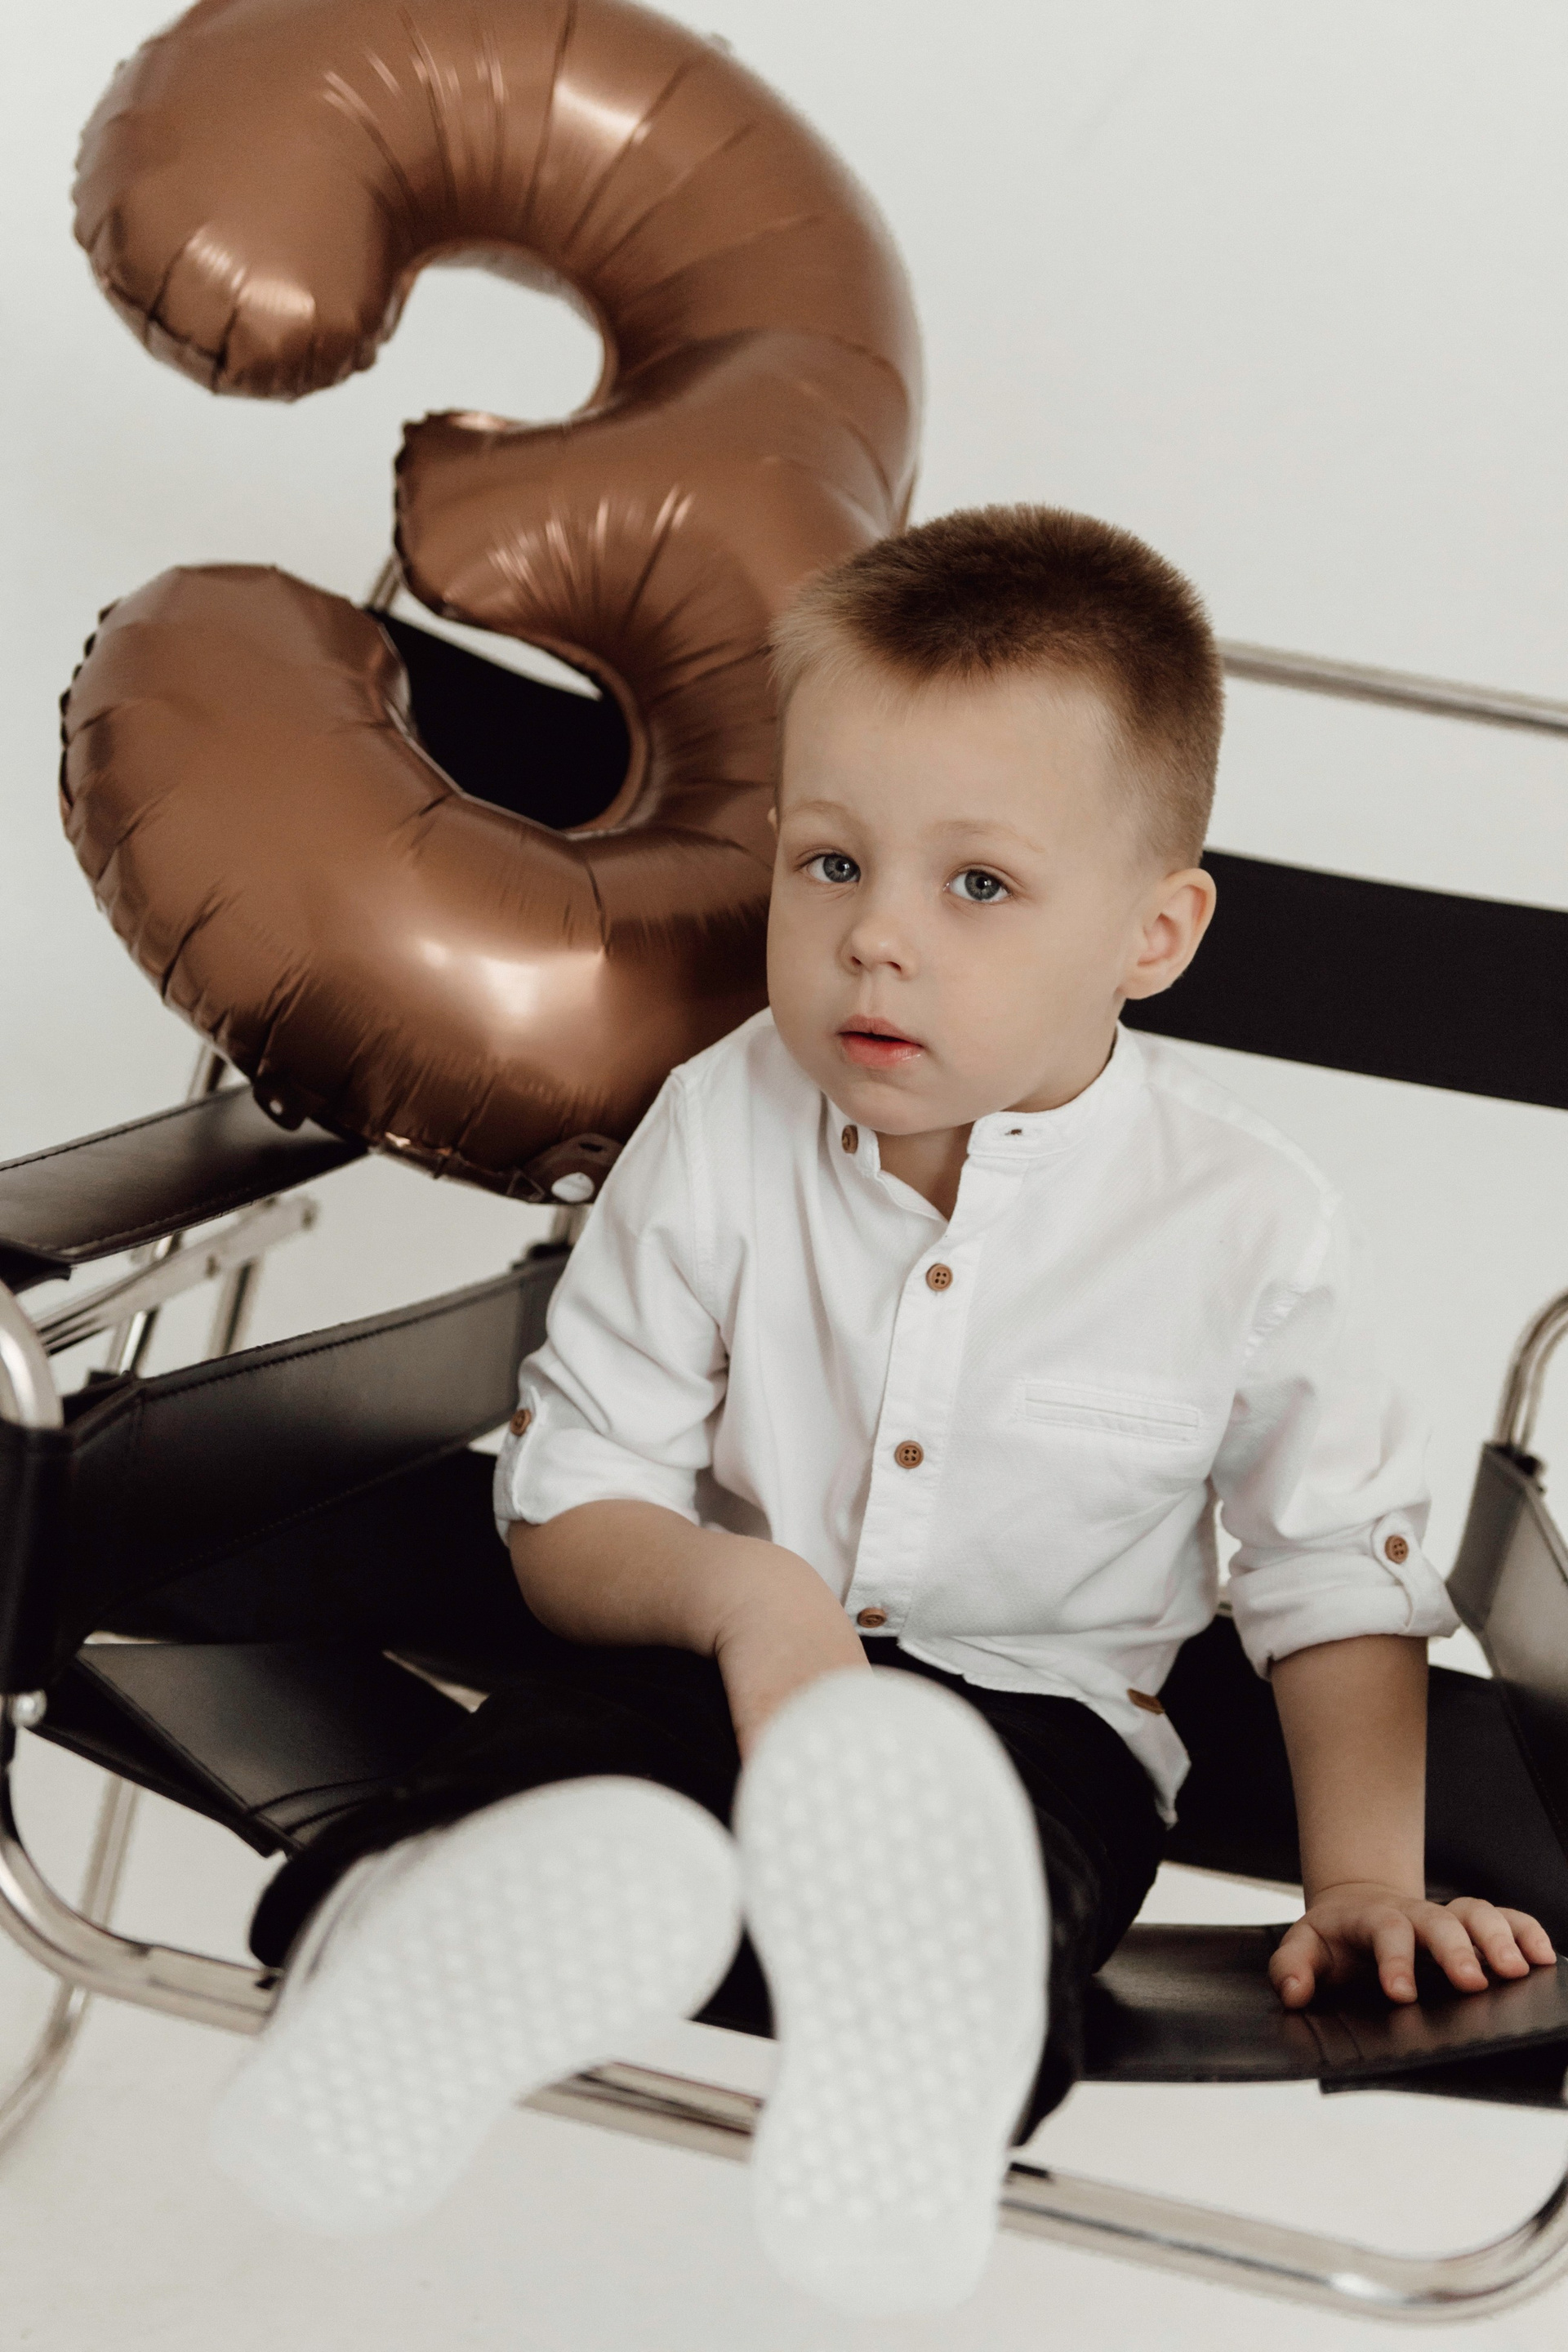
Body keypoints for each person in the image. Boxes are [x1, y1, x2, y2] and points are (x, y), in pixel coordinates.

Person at [209, 506, 1555, 2312]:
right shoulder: (722, 1122)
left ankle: (912, 2054)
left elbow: (1332, 1574)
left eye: (977, 886)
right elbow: (575, 1495)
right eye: (831, 863)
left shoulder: (1248, 1220)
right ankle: (454, 1936)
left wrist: (1363, 1882)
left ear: (1155, 934)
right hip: (692, 1658)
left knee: (1010, 1864)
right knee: (571, 1777)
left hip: (1042, 1726)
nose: (875, 942)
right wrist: (749, 1599)